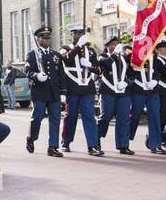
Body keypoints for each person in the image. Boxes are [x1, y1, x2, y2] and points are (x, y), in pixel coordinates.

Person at [61, 28, 102, 156]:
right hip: (72, 87)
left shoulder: (90, 51)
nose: (78, 36)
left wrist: (89, 65)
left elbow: (99, 70)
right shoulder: (65, 48)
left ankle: (93, 145)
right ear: (71, 35)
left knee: (89, 116)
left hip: (87, 88)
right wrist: (77, 47)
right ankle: (65, 142)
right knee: (71, 116)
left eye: (80, 34)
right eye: (75, 34)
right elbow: (66, 60)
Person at [24, 27, 64, 156]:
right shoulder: (32, 54)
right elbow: (27, 71)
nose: (47, 40)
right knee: (37, 117)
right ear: (38, 39)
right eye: (44, 38)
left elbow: (61, 75)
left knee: (55, 119)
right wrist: (36, 76)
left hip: (54, 93)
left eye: (48, 38)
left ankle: (53, 146)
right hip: (40, 92)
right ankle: (31, 138)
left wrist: (63, 92)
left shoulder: (56, 55)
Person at [96, 39, 135, 156]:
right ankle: (95, 141)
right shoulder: (102, 57)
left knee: (124, 119)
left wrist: (127, 82)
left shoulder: (125, 58)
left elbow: (132, 74)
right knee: (105, 117)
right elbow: (106, 65)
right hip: (108, 92)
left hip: (123, 92)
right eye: (112, 45)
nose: (115, 46)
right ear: (107, 46)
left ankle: (123, 145)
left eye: (117, 44)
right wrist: (114, 54)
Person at [127, 47, 166, 155]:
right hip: (138, 90)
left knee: (155, 117)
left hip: (152, 91)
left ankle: (156, 144)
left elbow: (157, 71)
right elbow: (128, 73)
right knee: (134, 117)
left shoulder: (153, 55)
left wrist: (155, 80)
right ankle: (124, 142)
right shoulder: (132, 54)